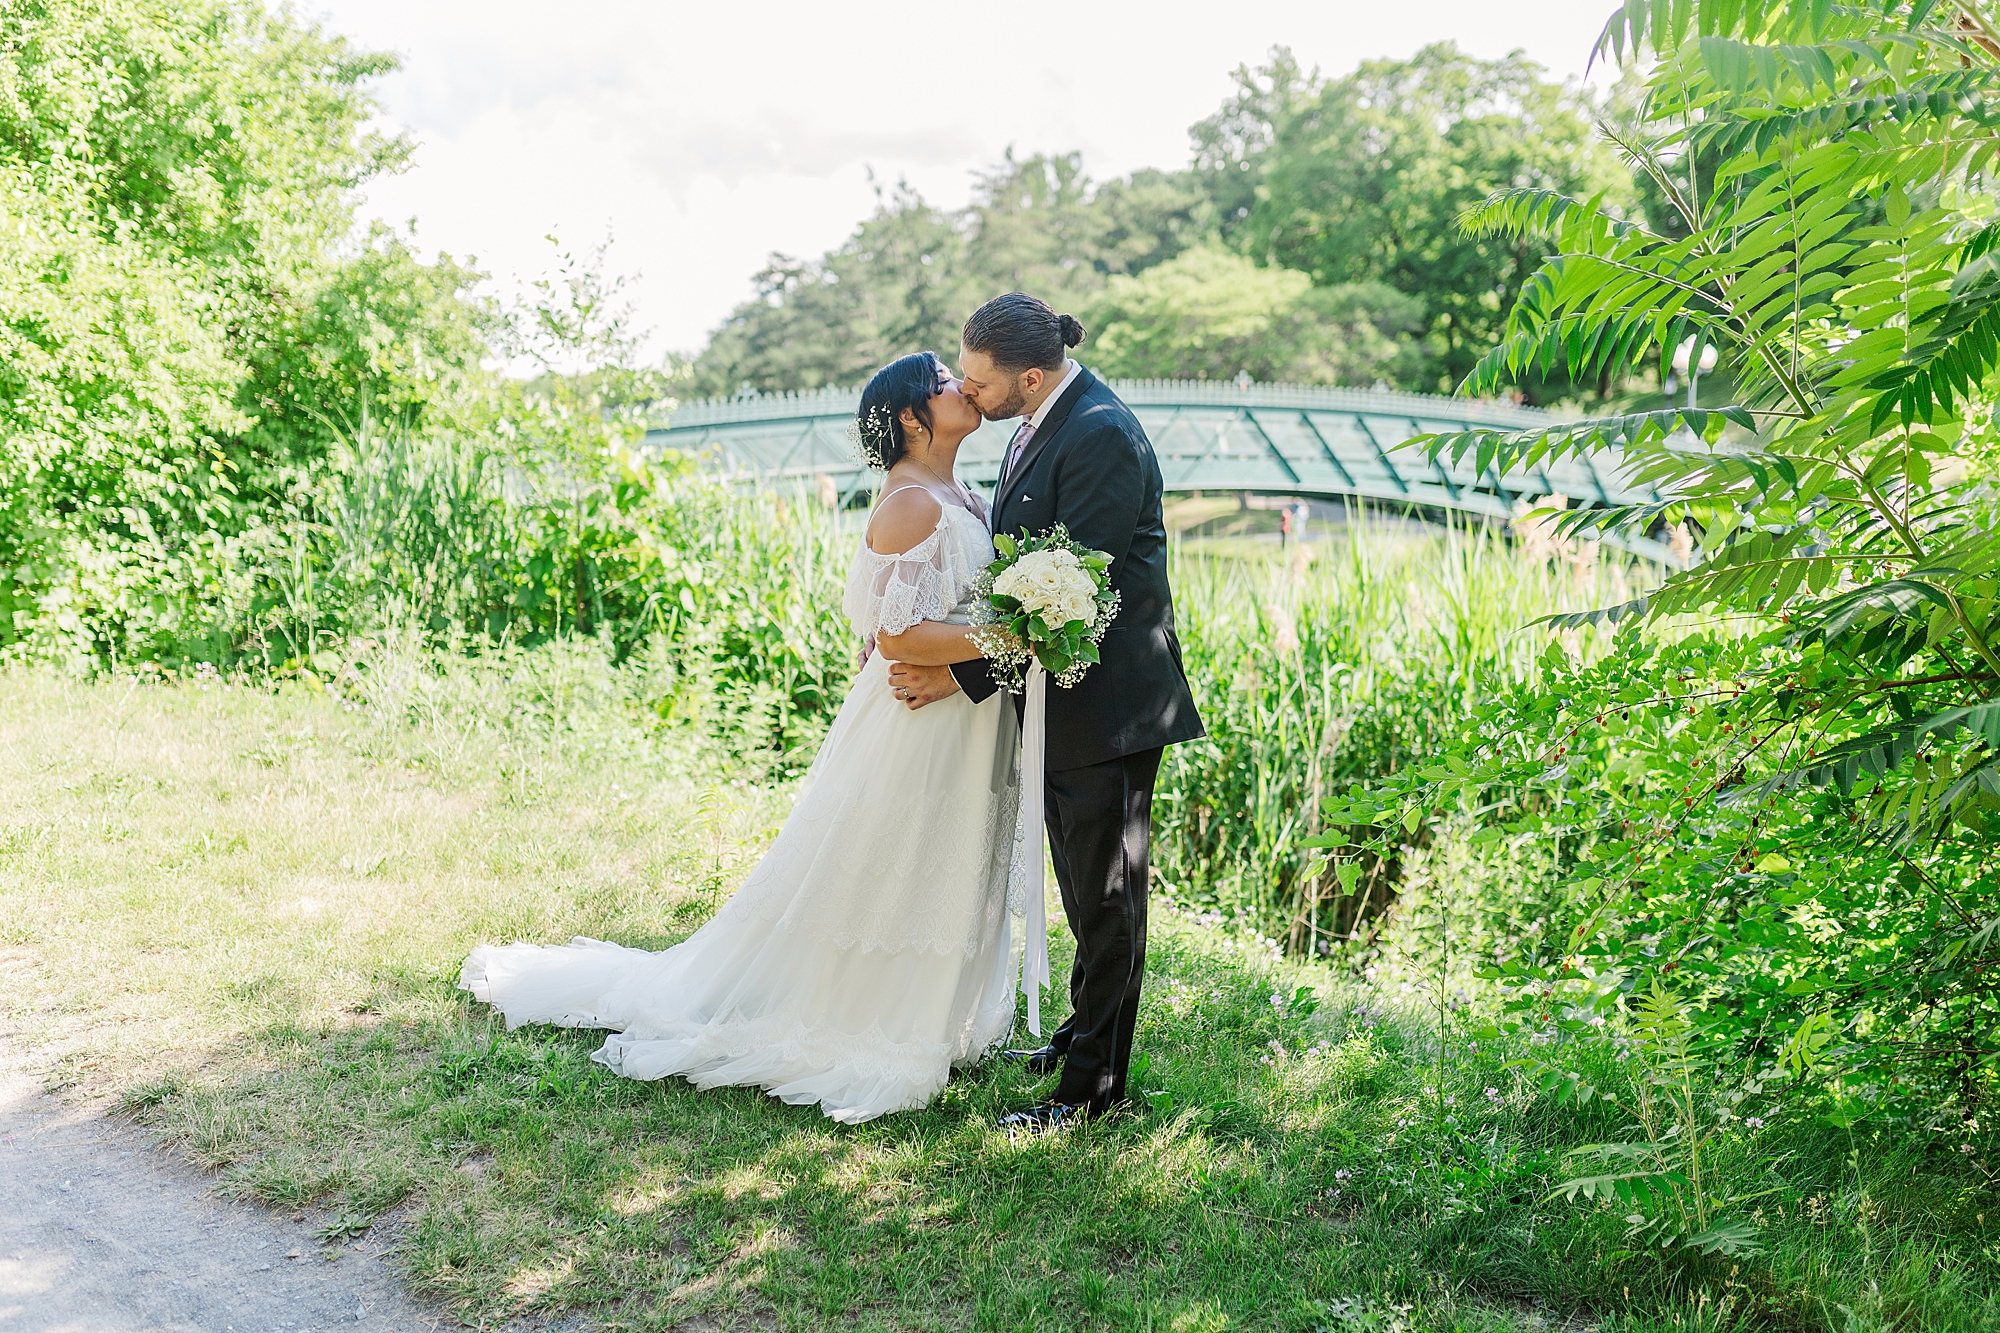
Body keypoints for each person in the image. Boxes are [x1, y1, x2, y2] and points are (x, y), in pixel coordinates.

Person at [458, 353, 1023, 1124]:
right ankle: (859, 1014)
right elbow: (896, 638)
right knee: (887, 858)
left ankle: (918, 1007)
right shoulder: (910, 506)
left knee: (931, 854)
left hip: (956, 713)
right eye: (943, 381)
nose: (962, 385)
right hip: (914, 721)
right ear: (911, 419)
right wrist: (1015, 634)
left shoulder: (957, 490)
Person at [889, 293, 1205, 1131]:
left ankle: (1091, 1095)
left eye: (980, 382)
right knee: (1079, 884)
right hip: (1064, 703)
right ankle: (1077, 1035)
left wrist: (960, 680)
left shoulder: (1098, 432)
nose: (968, 391)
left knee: (1107, 899)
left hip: (1109, 709)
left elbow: (1070, 597)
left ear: (1030, 377)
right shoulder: (1040, 418)